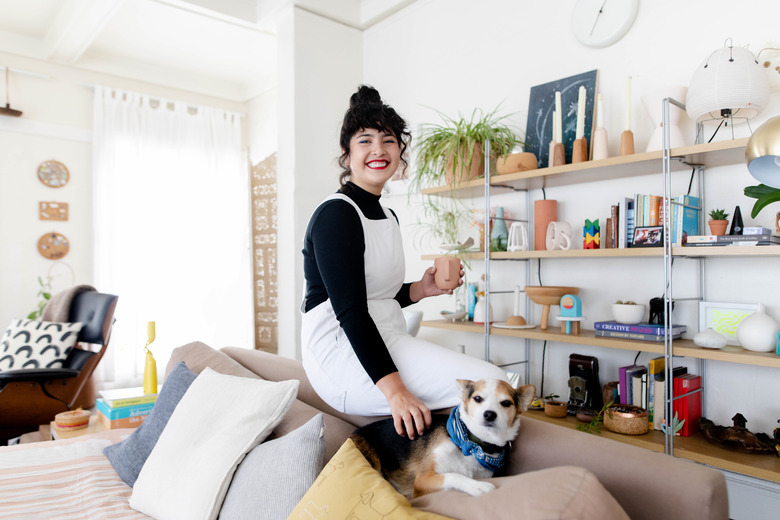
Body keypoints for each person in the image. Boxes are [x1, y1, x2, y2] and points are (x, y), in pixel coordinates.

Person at [300, 85, 508, 439]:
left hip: (386, 336)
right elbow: (351, 309)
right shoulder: (336, 214)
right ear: (346, 153)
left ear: (400, 151)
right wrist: (396, 392)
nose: (378, 150)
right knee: (490, 389)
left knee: (491, 386)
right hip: (340, 353)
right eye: (365, 140)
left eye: (389, 140)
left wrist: (419, 290)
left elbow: (378, 294)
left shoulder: (387, 215)